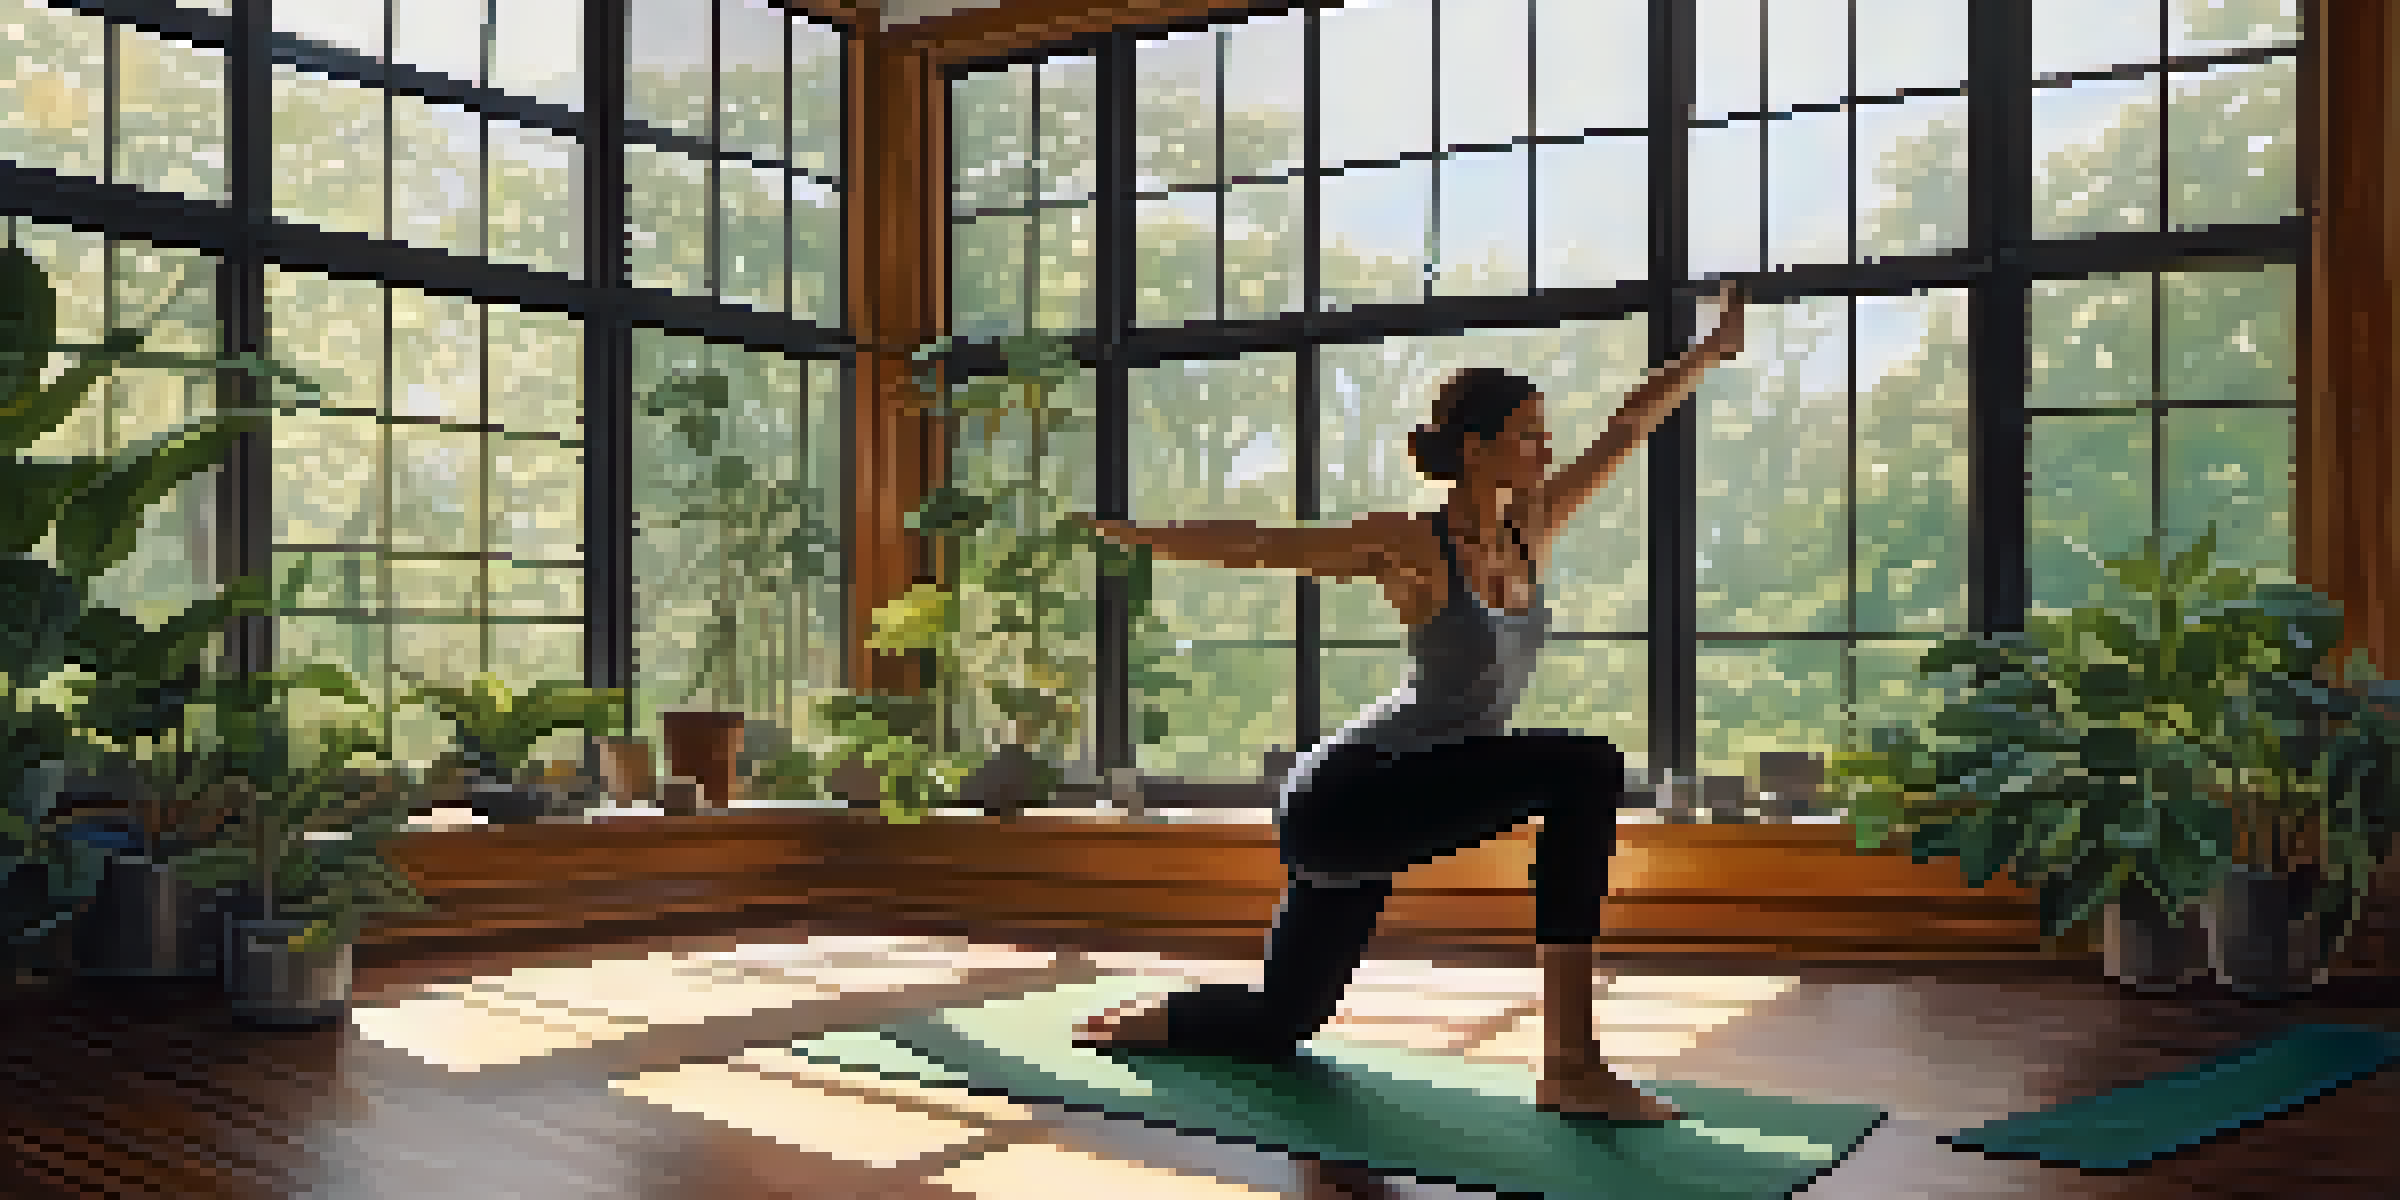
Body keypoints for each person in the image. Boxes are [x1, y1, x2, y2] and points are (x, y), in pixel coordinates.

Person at [1068, 280, 1749, 1122]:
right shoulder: (1410, 545)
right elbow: (1264, 546)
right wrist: (1142, 539)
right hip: (1352, 792)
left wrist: (1708, 355)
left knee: (1284, 1020)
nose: (1544, 449)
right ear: (1474, 448)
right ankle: (1572, 1064)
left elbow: (1630, 423)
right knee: (1586, 768)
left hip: (1409, 794)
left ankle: (1167, 1016)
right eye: (1528, 434)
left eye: (1544, 434)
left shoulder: (1530, 530)